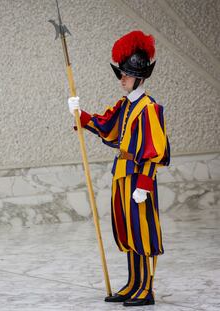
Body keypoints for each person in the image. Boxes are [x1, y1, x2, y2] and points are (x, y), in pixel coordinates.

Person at [67, 31, 170, 306]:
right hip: (122, 175)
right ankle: (133, 283)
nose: (121, 78)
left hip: (139, 179)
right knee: (127, 230)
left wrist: (145, 185)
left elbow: (154, 152)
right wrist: (81, 115)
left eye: (125, 74)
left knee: (142, 233)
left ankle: (145, 289)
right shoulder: (126, 105)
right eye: (121, 73)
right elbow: (108, 127)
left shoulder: (150, 109)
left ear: (139, 76)